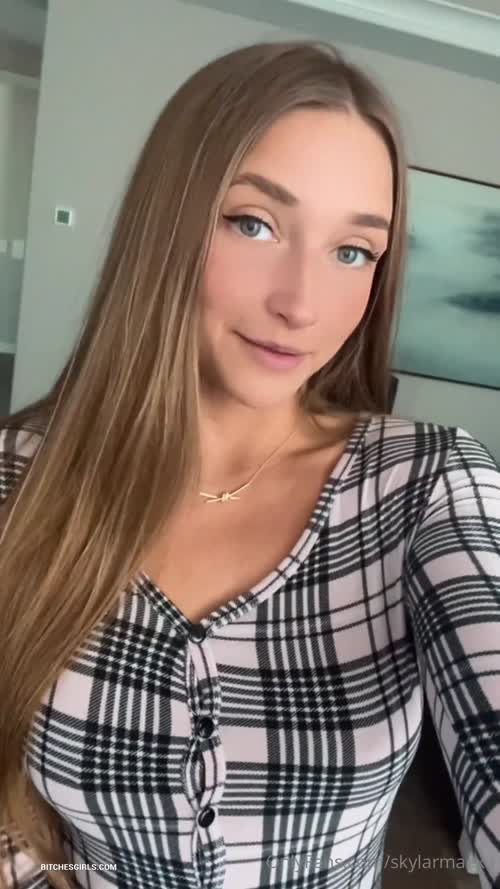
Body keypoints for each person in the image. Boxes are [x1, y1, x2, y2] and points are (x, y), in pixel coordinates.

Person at [0, 39, 498, 889]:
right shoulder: (20, 483)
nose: (301, 304)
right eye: (254, 223)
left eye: (353, 251)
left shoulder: (428, 486)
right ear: (167, 223)